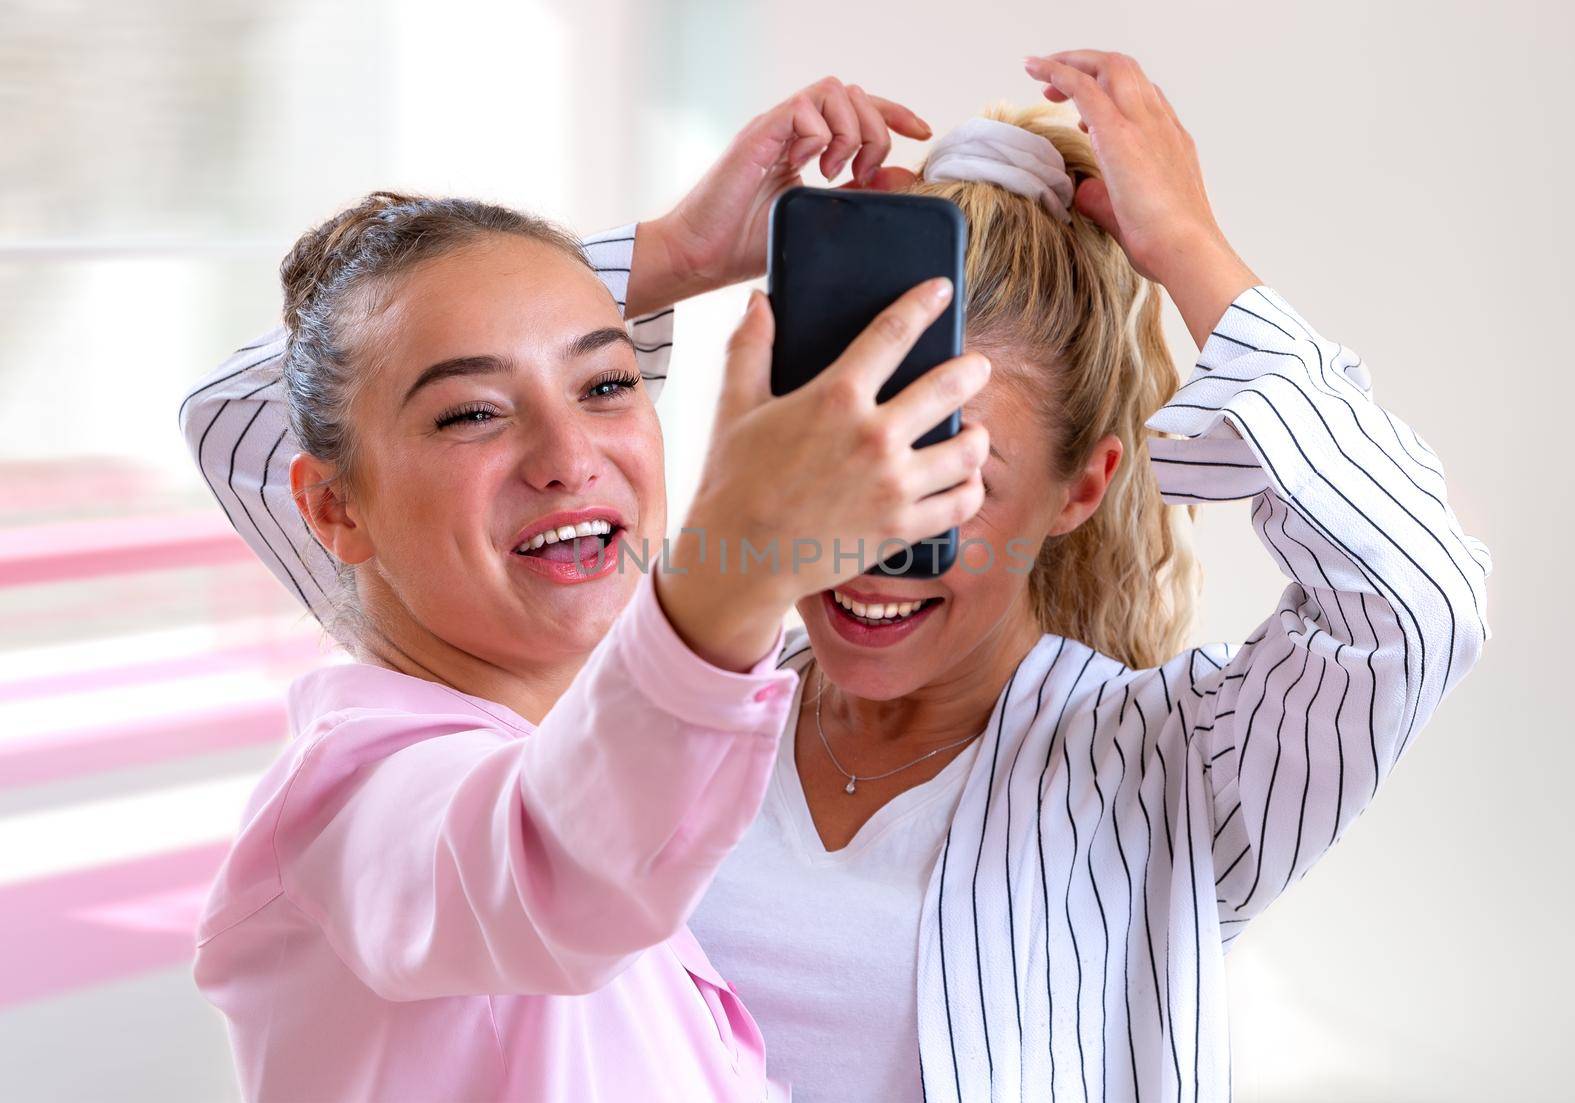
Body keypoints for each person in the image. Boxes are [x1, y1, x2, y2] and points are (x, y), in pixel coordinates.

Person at [688, 51, 1492, 1101]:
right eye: (845, 449)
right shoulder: (676, 704)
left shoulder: (1167, 774)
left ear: (1082, 486)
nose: (878, 535)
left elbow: (1415, 595)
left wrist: (1191, 251)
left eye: (957, 472)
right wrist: (677, 254)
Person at [182, 82, 992, 1101]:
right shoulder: (353, 806)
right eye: (473, 412)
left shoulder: (573, 758)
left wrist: (684, 257)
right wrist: (738, 563)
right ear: (335, 507)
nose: (567, 457)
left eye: (607, 384)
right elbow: (549, 864)